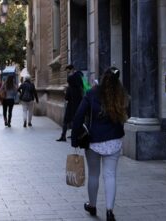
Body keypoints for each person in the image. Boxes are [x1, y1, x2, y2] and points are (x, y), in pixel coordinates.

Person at [71, 67, 128, 221]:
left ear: (103, 78)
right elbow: (125, 114)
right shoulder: (121, 94)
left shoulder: (92, 93)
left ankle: (93, 205)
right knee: (110, 176)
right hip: (114, 141)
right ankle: (110, 211)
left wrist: (74, 138)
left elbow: (78, 116)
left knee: (94, 175)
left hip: (94, 141)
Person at [57, 65, 84, 141]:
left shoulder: (70, 87)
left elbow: (66, 97)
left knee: (66, 120)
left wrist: (66, 92)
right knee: (76, 120)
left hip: (71, 105)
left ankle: (63, 136)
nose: (67, 72)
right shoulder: (79, 82)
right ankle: (74, 135)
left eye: (68, 70)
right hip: (78, 104)